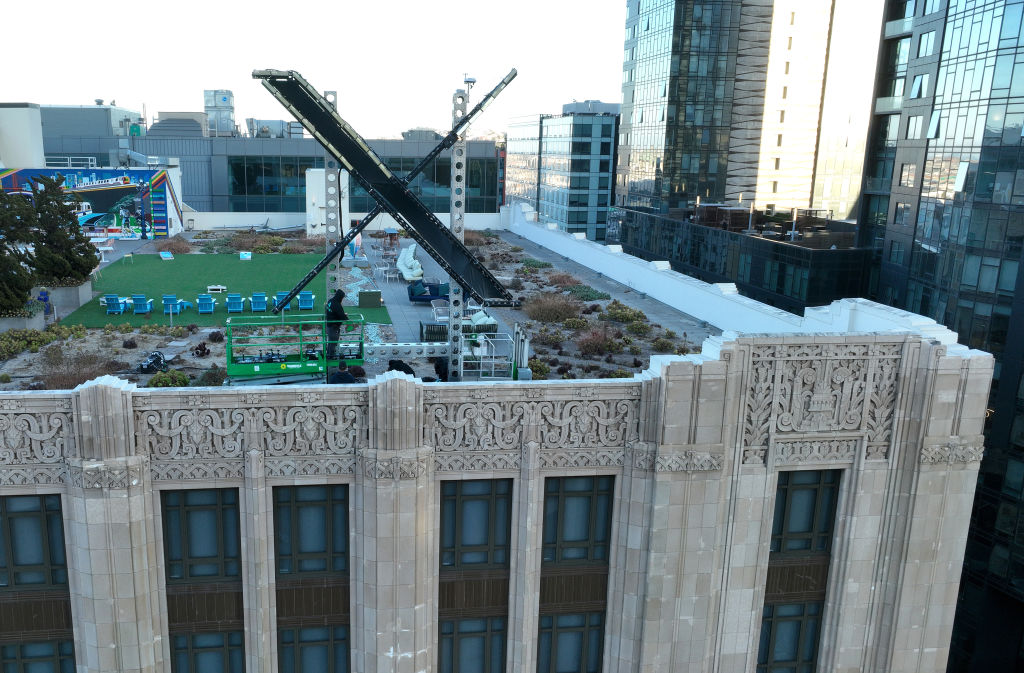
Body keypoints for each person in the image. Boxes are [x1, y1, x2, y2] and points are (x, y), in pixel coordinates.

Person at [324, 289, 349, 359]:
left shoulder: (330, 301)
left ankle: (329, 355)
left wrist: (342, 314)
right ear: (340, 297)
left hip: (329, 325)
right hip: (333, 327)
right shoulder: (337, 305)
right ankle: (330, 357)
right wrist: (346, 317)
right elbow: (343, 317)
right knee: (333, 343)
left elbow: (333, 312)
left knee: (330, 342)